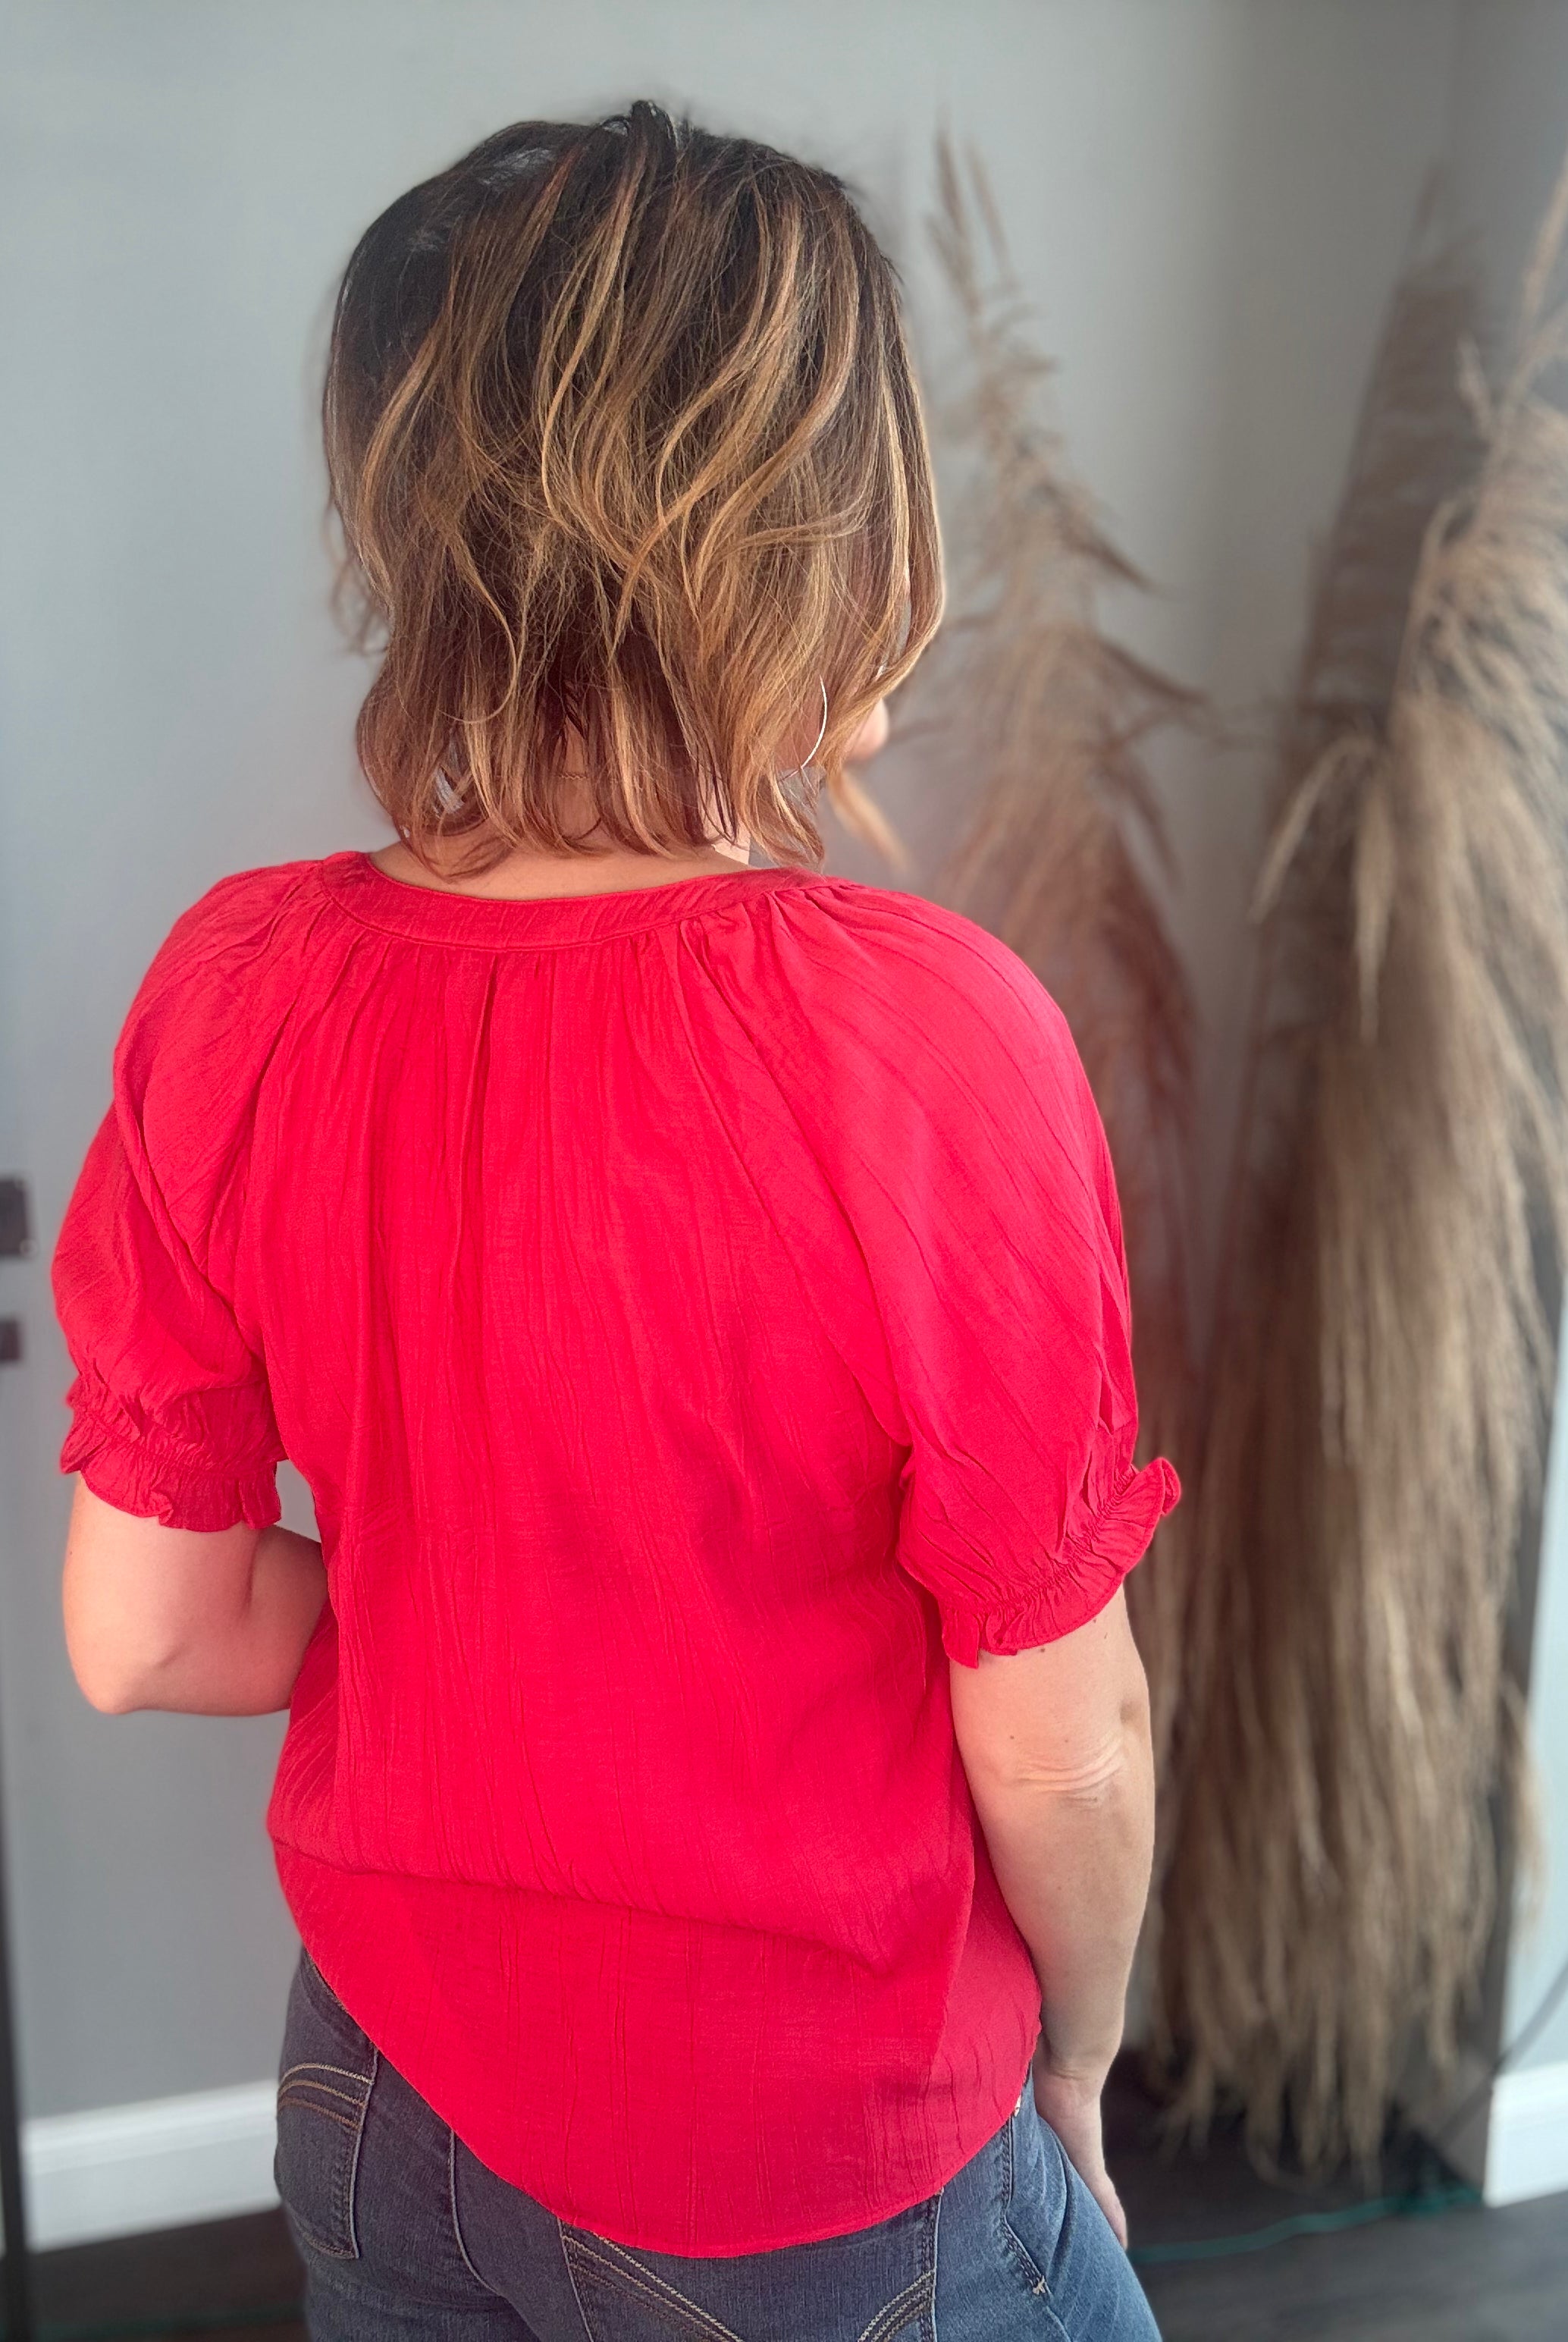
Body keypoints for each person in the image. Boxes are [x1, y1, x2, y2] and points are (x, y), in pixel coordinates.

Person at [50, 102, 1177, 2340]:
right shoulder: (927, 1041)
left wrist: (482, 1627)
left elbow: (141, 1637)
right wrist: (1080, 2054)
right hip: (821, 2155)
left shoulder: (239, 990)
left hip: (381, 2104)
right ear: (832, 543)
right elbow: (1066, 1740)